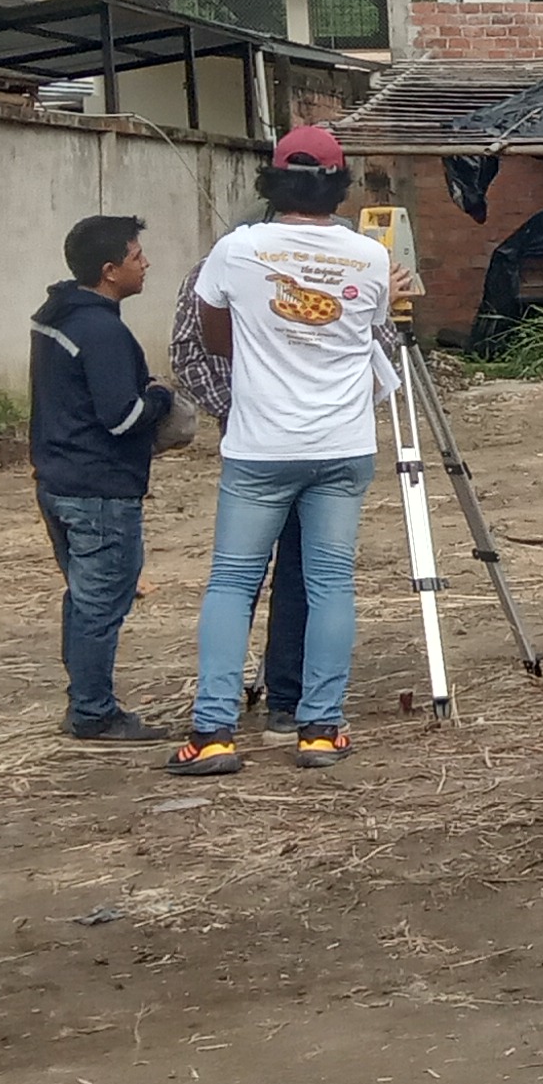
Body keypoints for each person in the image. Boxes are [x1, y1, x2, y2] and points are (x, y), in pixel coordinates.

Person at [170, 125, 399, 778]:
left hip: (261, 446)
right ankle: (320, 727)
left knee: (232, 582)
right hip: (343, 444)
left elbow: (214, 336)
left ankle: (214, 733)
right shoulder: (371, 257)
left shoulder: (238, 249)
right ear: (339, 186)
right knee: (330, 584)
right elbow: (374, 332)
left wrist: (264, 340)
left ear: (271, 182)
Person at [29, 214, 177, 742]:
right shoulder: (102, 330)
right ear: (110, 270)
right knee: (101, 604)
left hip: (58, 480)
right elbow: (122, 417)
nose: (146, 264)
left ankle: (85, 701)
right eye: (137, 256)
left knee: (83, 597)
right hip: (99, 489)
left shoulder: (57, 314)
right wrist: (160, 399)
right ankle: (93, 711)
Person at [171, 254, 311, 737]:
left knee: (303, 574)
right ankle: (222, 710)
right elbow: (188, 351)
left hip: (313, 443)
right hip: (263, 444)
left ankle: (282, 700)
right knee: (243, 577)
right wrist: (239, 408)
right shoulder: (222, 263)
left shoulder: (345, 261)